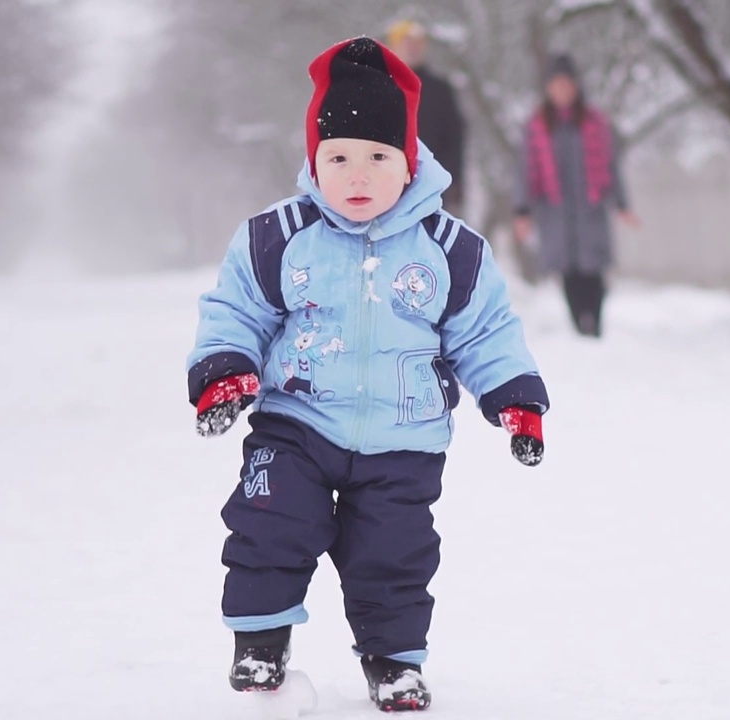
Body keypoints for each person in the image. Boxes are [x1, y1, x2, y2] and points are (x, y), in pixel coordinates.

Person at [185, 36, 550, 713]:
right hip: (296, 423)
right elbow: (235, 310)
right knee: (268, 526)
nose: (357, 175)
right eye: (339, 158)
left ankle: (394, 663)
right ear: (315, 161)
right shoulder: (277, 237)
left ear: (409, 162)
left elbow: (486, 331)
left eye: (378, 158)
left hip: (402, 438)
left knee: (394, 557)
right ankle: (260, 646)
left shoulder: (451, 251)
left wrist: (514, 398)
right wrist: (225, 372)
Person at [513, 53, 639, 338]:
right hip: (554, 212)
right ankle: (579, 328)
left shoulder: (594, 122)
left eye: (567, 84)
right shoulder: (537, 126)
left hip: (589, 208)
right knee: (567, 270)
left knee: (592, 269)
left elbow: (610, 164)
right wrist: (522, 211)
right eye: (556, 84)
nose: (562, 90)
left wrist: (621, 203)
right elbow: (525, 170)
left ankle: (594, 324)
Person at [386, 20, 466, 210]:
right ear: (393, 47)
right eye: (406, 43)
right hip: (387, 183)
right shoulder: (379, 87)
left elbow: (455, 136)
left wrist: (454, 179)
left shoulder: (440, 89)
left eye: (417, 43)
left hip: (432, 185)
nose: (412, 49)